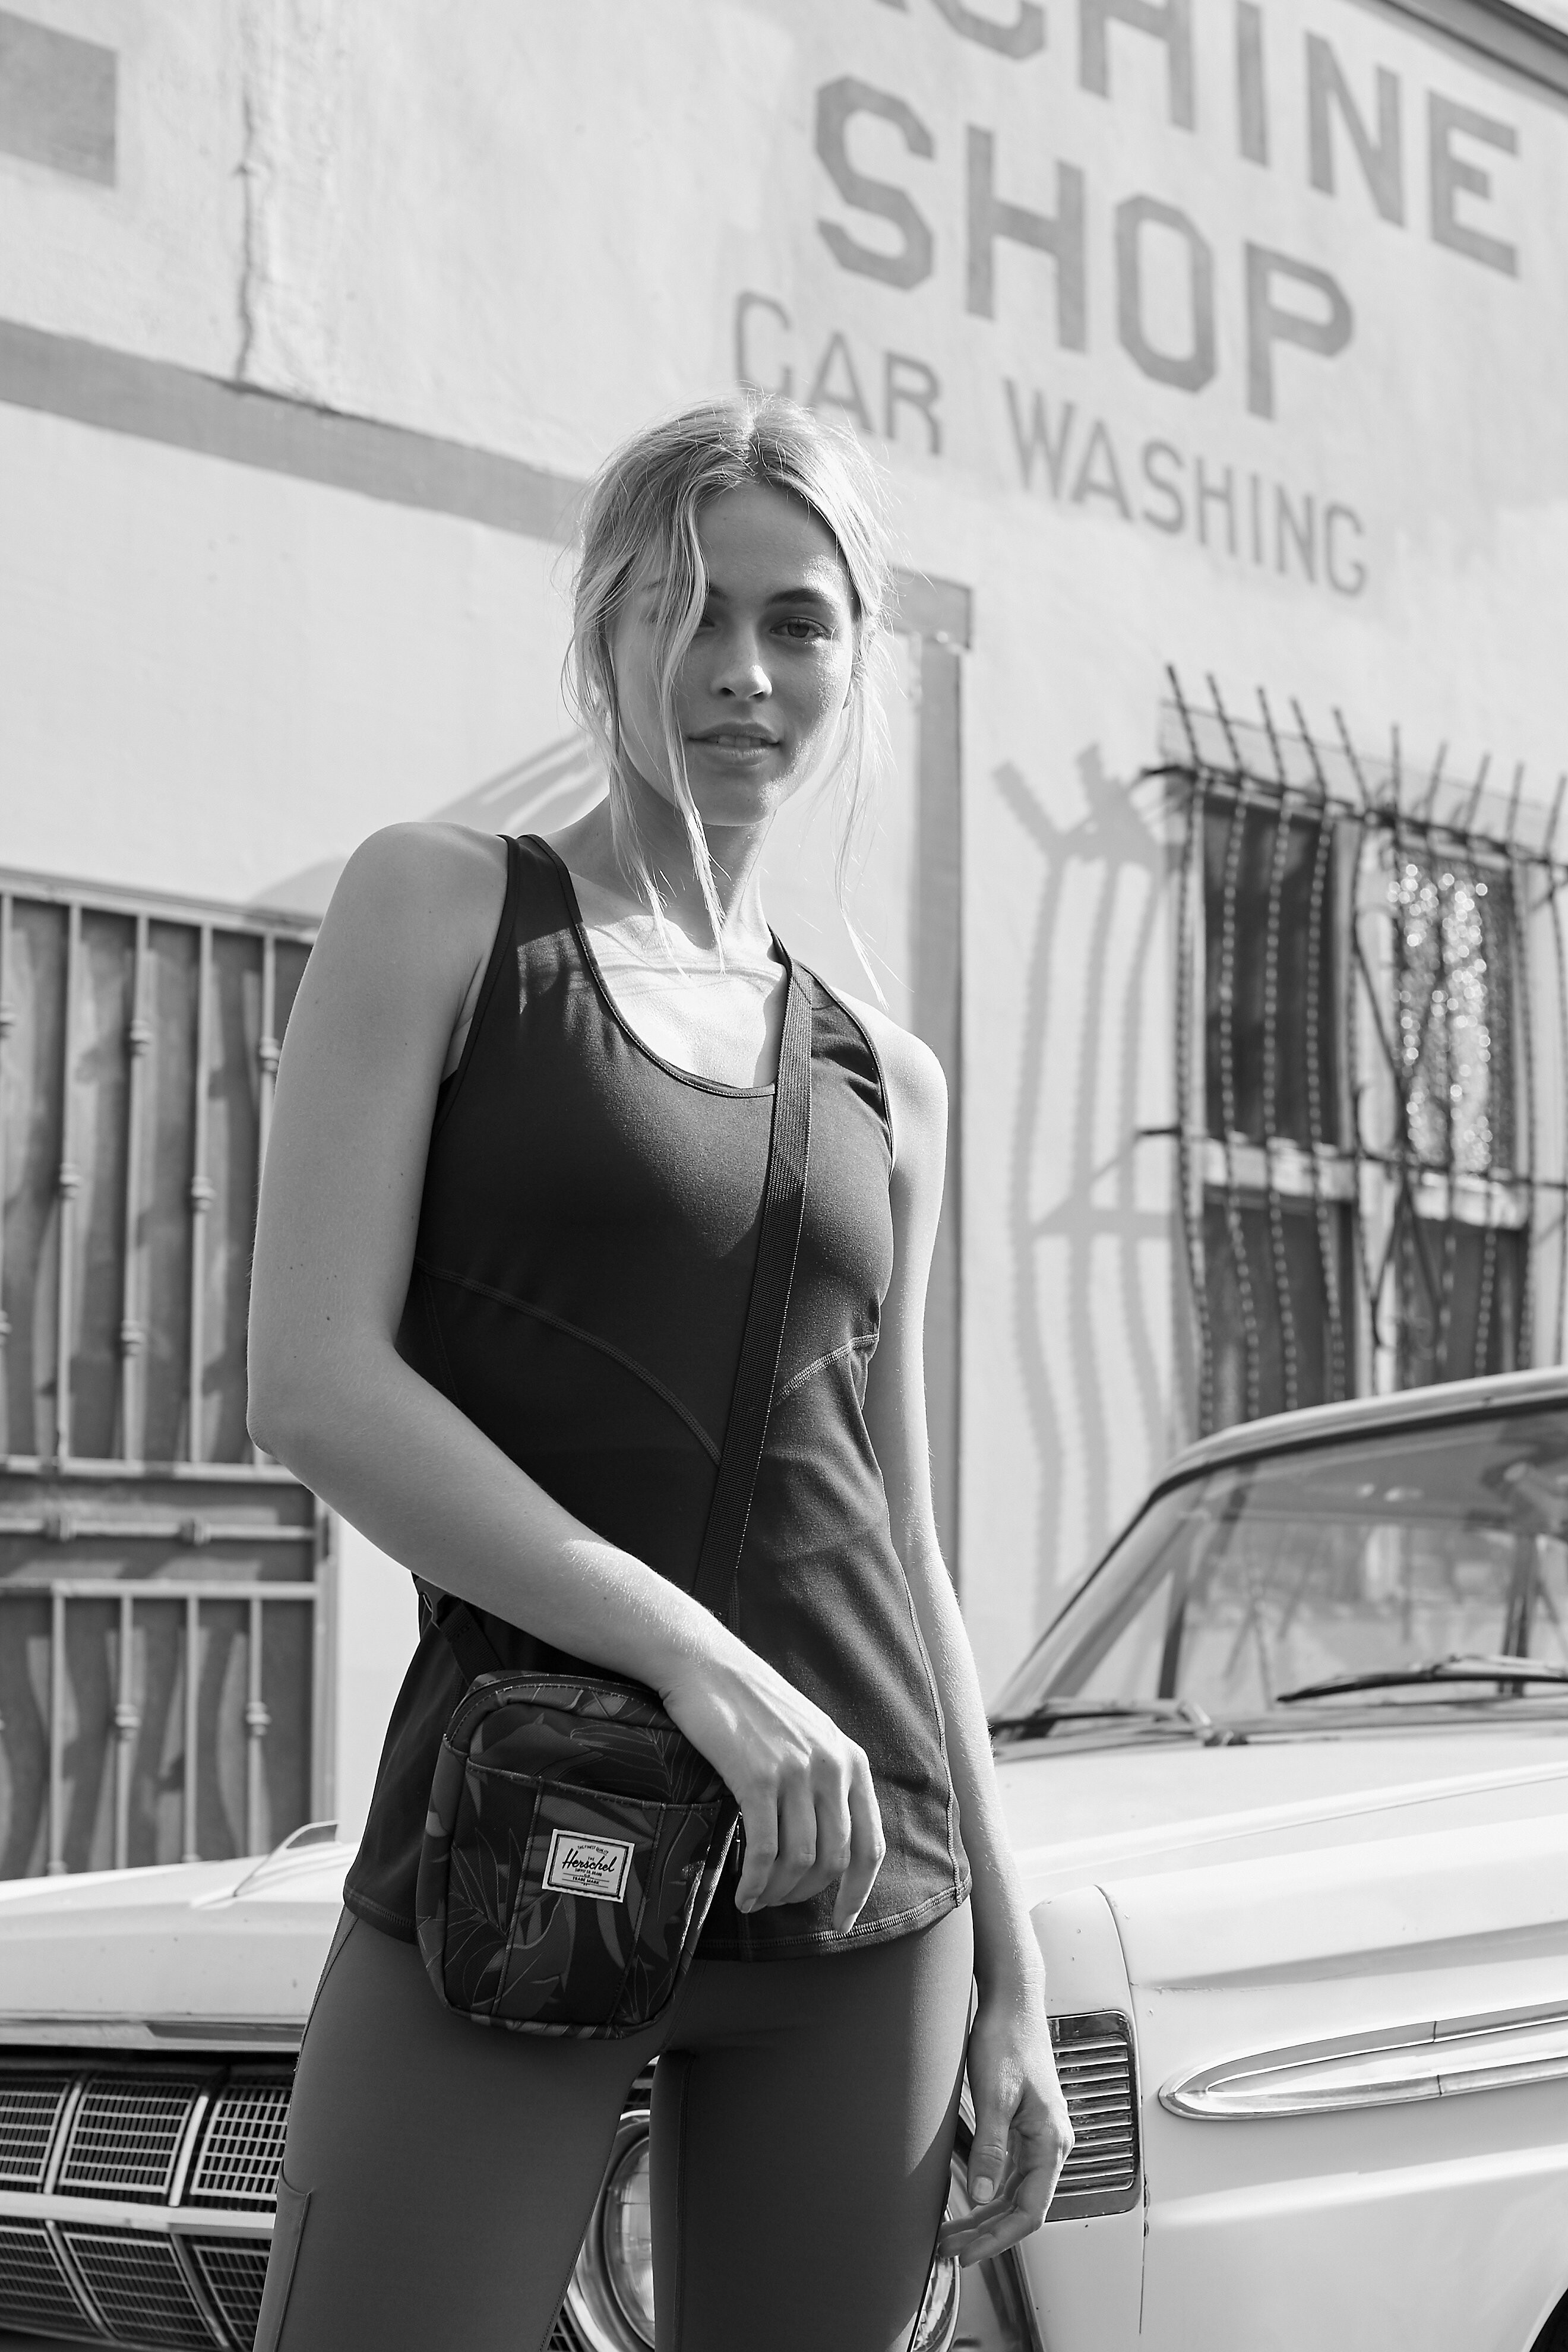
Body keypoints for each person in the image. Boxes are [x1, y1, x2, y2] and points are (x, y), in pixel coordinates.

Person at [246, 391, 1072, 2352]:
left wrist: (1016, 1966)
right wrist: (707, 1669)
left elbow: (903, 1536)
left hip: (865, 1884)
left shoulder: (888, 1076)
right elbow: (315, 1383)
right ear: (604, 625)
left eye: (798, 622)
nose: (742, 669)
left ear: (854, 661)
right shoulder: (444, 909)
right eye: (691, 608)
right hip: (526, 1842)